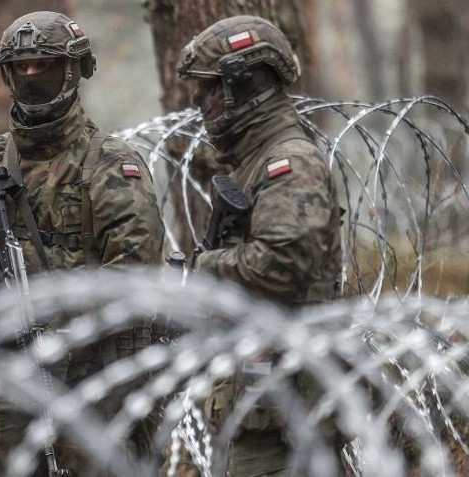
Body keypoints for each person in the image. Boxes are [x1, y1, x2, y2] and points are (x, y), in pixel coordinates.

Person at [0, 11, 165, 476]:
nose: (30, 76)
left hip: (90, 385)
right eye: (20, 67)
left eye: (42, 64)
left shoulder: (109, 165)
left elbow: (134, 275)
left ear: (72, 70)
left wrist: (52, 313)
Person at [166, 15, 344, 476]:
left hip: (290, 408)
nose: (197, 101)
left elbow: (281, 263)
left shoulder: (289, 161)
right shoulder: (257, 161)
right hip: (263, 398)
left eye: (207, 89)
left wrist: (205, 268)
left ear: (242, 85)